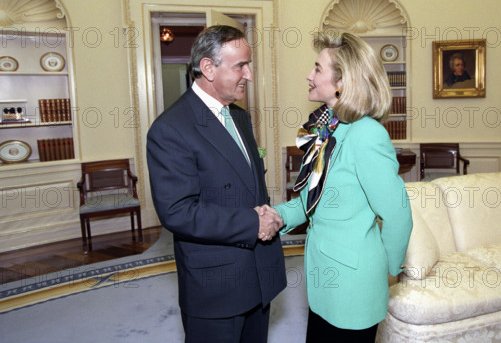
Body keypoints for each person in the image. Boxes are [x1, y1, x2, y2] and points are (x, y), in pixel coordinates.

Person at [259, 31, 413, 342]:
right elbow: (310, 202)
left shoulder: (366, 135)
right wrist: (274, 215)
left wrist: (387, 272)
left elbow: (398, 215)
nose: (309, 74)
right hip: (323, 280)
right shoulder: (328, 127)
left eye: (317, 68)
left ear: (341, 82)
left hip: (354, 284)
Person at [146, 25, 287, 343]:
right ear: (208, 68)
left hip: (257, 274)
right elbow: (178, 212)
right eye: (241, 66)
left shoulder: (239, 117)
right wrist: (254, 222)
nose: (249, 75)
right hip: (216, 287)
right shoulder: (170, 129)